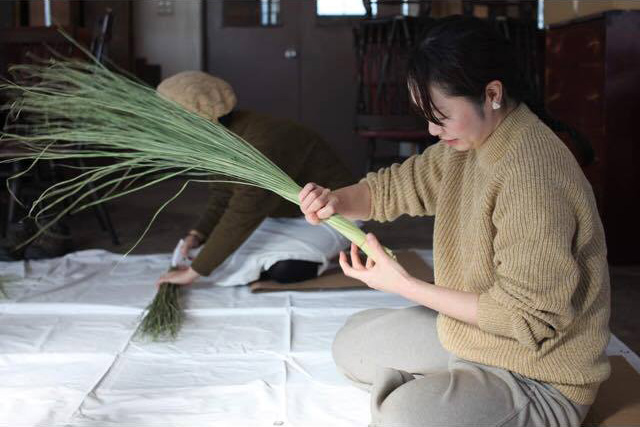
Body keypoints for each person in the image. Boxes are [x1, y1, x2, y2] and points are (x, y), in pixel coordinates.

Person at [299, 16, 610, 427]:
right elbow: (393, 189)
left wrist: (407, 286)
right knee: (350, 343)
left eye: (440, 115)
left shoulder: (532, 175)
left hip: (538, 375)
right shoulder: (470, 143)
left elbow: (527, 319)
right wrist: (334, 200)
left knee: (401, 419)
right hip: (476, 335)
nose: (431, 129)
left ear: (492, 93)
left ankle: (435, 399)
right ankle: (448, 393)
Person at [154, 71, 355, 288]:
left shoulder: (262, 143)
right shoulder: (219, 139)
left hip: (330, 217)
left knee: (284, 268)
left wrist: (193, 273)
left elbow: (245, 211)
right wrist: (197, 235)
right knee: (222, 257)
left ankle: (332, 249)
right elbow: (223, 196)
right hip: (279, 215)